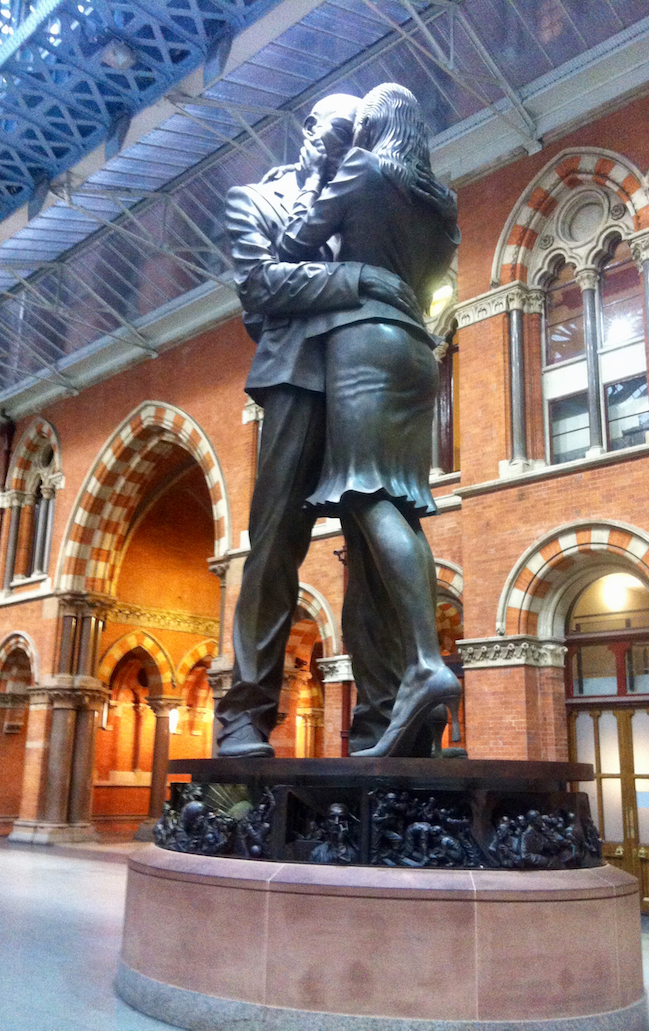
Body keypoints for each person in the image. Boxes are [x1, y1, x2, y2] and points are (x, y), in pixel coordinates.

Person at [216, 93, 423, 757]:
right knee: (275, 542)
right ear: (309, 129)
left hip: (367, 374)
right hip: (298, 377)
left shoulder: (366, 183)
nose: (346, 145)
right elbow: (262, 287)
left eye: (358, 133)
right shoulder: (252, 199)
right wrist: (360, 277)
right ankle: (245, 714)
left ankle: (383, 716)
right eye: (338, 132)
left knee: (376, 542)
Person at [277, 83, 462, 757]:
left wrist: (313, 182)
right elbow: (430, 274)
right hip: (418, 348)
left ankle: (421, 663)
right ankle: (416, 692)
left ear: (373, 124)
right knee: (398, 506)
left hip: (365, 343)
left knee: (367, 489)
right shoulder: (442, 203)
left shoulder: (362, 170)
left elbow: (297, 243)